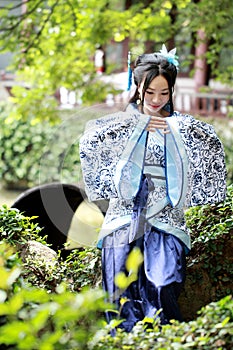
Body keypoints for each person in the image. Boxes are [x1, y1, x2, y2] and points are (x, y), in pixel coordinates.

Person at [79, 44, 226, 332]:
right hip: (124, 216)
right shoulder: (121, 124)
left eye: (164, 92)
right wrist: (137, 125)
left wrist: (174, 131)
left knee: (162, 281)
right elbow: (89, 143)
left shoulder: (182, 125)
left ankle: (160, 337)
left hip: (165, 217)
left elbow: (212, 145)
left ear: (172, 91)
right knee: (120, 281)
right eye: (150, 93)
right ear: (137, 89)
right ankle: (123, 338)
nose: (157, 100)